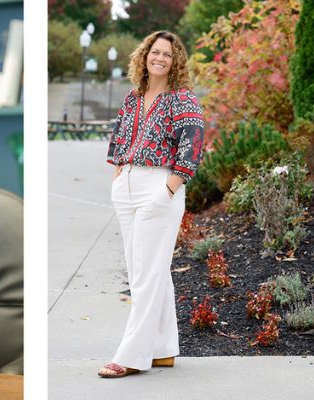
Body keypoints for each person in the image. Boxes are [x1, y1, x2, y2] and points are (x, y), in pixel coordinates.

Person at [99, 31, 205, 378]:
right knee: (145, 270)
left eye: (168, 55)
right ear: (144, 56)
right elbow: (118, 140)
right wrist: (118, 177)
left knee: (145, 276)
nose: (160, 58)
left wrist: (169, 190)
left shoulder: (183, 99)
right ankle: (162, 350)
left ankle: (131, 355)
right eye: (155, 52)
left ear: (176, 62)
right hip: (127, 185)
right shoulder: (133, 97)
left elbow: (192, 149)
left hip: (159, 186)